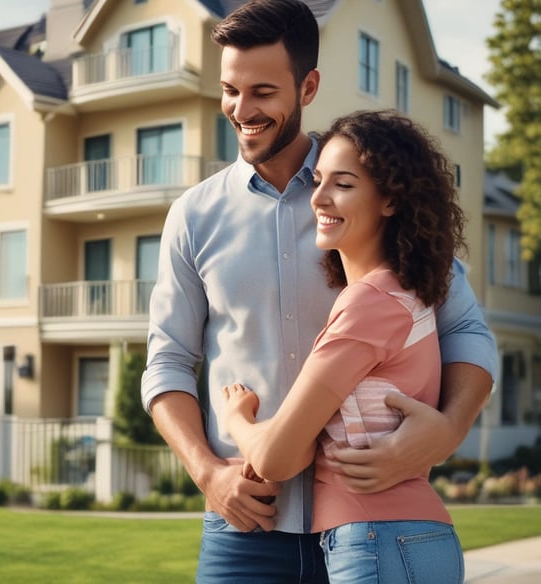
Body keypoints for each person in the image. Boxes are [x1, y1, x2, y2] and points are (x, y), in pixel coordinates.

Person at [140, 0, 497, 582]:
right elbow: (168, 363)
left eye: (262, 91)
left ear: (307, 87)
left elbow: (465, 329)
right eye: (230, 90)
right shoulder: (193, 217)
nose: (241, 109)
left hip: (369, 521)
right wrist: (209, 473)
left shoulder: (362, 194)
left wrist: (449, 428)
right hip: (246, 524)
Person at [223, 109, 468, 584]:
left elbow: (276, 457)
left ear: (390, 200)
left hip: (379, 540)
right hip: (412, 538)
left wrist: (237, 418)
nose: (318, 197)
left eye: (344, 184)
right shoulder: (406, 294)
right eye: (317, 180)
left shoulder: (368, 304)